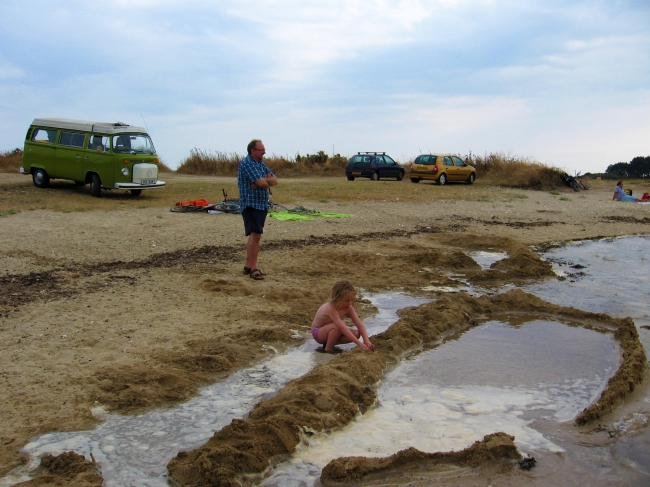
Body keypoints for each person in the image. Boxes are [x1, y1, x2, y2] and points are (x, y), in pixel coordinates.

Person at [238, 139, 278, 280]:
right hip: (251, 204)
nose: (264, 152)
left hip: (261, 204)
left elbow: (274, 180)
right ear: (252, 151)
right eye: (261, 150)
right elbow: (263, 182)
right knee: (256, 235)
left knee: (255, 235)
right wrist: (262, 182)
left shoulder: (260, 164)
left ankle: (249, 266)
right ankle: (253, 268)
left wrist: (263, 182)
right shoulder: (248, 164)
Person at [311, 280, 375, 353]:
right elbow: (342, 327)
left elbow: (359, 324)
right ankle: (328, 349)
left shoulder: (348, 307)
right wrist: (359, 344)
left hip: (331, 330)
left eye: (351, 300)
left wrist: (366, 341)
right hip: (318, 332)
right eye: (346, 301)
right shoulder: (331, 308)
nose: (349, 303)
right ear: (337, 298)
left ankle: (329, 343)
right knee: (340, 324)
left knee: (356, 334)